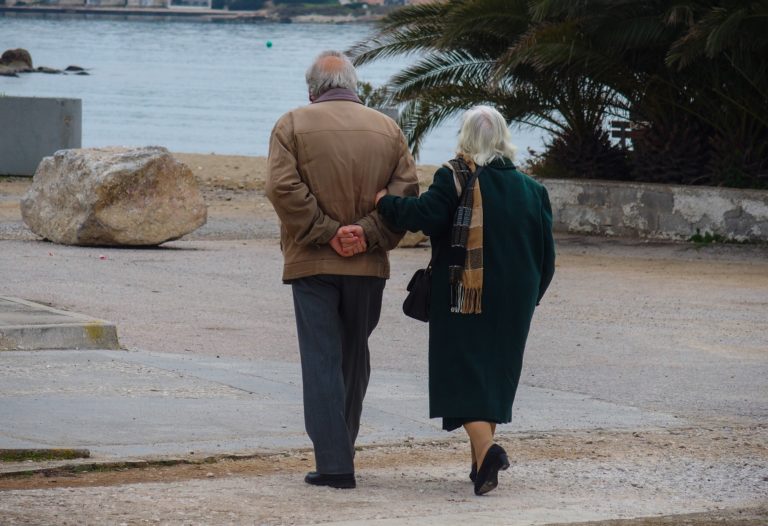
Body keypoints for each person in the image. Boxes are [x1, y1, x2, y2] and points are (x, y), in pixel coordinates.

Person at [374, 105, 555, 496]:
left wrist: (384, 203)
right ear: (504, 138)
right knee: (492, 375)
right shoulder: (533, 190)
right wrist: (530, 297)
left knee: (461, 375)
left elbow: (425, 216)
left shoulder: (453, 175)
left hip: (463, 293)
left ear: (466, 139)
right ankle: (480, 468)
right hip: (516, 299)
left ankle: (489, 451)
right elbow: (547, 256)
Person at [265, 50, 419, 489]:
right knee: (353, 356)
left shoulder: (291, 123)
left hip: (312, 261)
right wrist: (366, 234)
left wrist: (327, 232)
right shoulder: (388, 128)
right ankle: (343, 449)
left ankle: (334, 463)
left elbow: (280, 186)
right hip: (368, 265)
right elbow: (405, 190)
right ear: (354, 85)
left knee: (321, 359)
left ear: (312, 88)